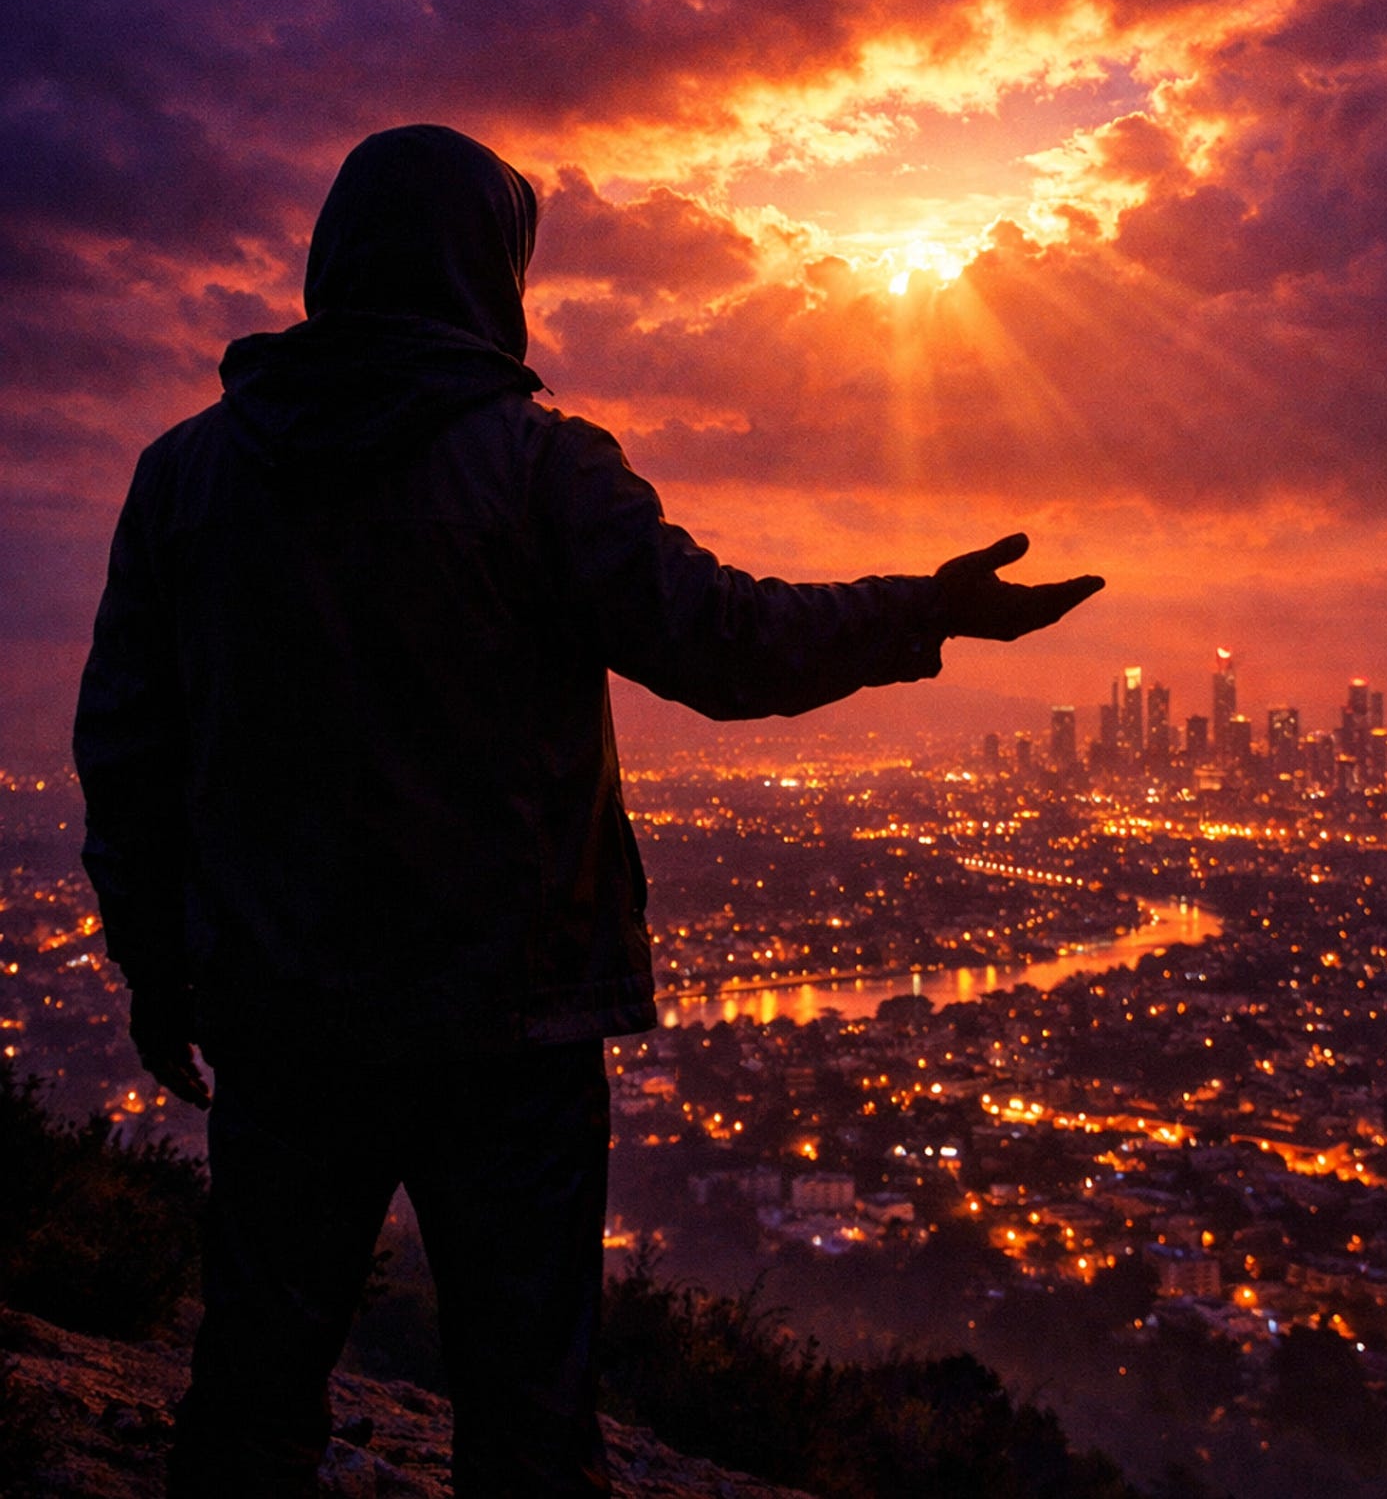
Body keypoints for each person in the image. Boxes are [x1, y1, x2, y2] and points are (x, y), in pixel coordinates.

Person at [73, 124, 1103, 1498]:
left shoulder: (187, 475)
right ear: (489, 273)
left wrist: (158, 964)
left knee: (253, 1393)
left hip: (284, 1015)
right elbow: (724, 643)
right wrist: (929, 610)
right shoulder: (539, 467)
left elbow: (127, 748)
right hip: (512, 1028)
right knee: (528, 1418)